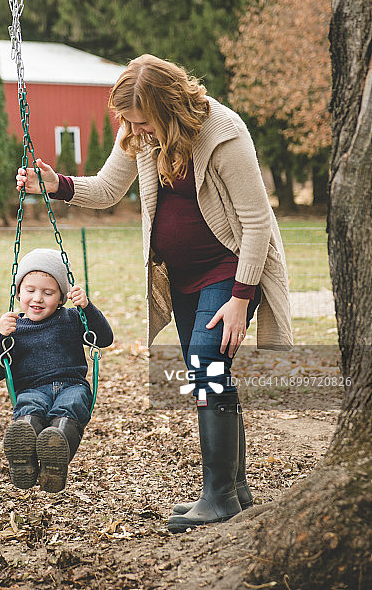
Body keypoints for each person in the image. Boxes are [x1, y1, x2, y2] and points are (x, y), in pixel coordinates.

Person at [17, 54, 292, 530]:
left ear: (168, 108)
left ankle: (219, 495)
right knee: (206, 370)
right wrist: (56, 184)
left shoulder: (223, 134)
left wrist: (242, 296)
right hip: (180, 275)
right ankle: (234, 489)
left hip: (228, 267)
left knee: (208, 363)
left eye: (142, 121)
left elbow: (255, 223)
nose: (135, 131)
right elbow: (107, 189)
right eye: (129, 122)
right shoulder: (142, 135)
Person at [0, 248, 113, 493]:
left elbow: (104, 338)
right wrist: (0, 335)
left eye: (48, 292)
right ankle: (25, 459)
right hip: (32, 389)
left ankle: (56, 454)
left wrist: (87, 308)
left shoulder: (72, 318)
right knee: (29, 408)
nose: (37, 298)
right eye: (30, 290)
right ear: (18, 292)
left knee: (72, 404)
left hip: (71, 385)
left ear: (62, 298)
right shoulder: (12, 328)